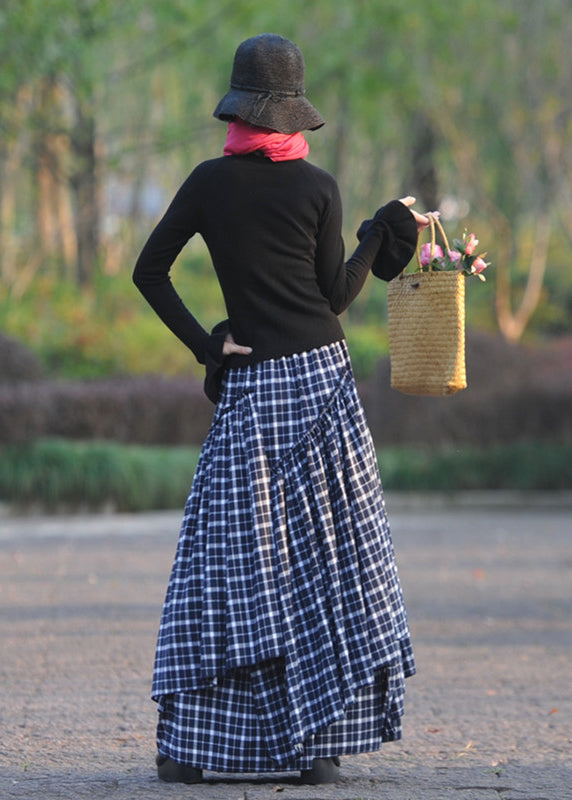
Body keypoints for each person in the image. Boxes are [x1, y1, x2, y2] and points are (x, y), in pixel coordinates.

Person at [133, 32, 429, 785]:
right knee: (326, 560)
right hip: (322, 384)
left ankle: (194, 748)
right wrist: (376, 235)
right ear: (295, 114)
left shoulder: (207, 182)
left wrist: (209, 346)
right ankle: (317, 745)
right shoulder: (319, 188)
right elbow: (334, 297)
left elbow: (150, 272)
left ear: (237, 107)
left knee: (229, 559)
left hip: (254, 387)